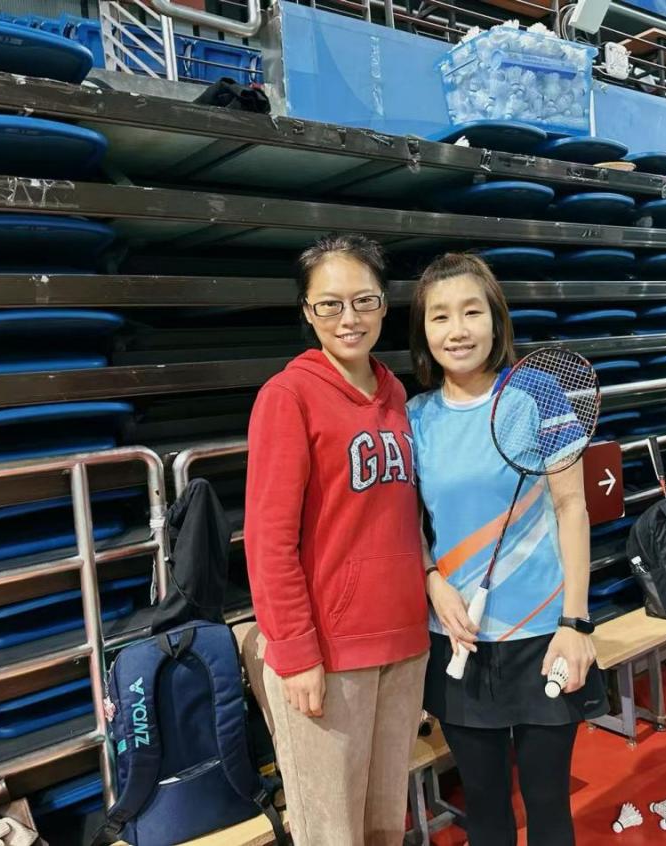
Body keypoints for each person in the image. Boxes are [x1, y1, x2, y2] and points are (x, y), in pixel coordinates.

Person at [406, 253, 608, 846]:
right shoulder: (415, 417)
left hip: (544, 636)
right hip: (459, 640)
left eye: (472, 312)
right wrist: (432, 582)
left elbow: (572, 507)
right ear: (424, 331)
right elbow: (408, 523)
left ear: (496, 320)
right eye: (440, 316)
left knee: (547, 805)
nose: (458, 329)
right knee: (486, 810)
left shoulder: (538, 394)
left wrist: (575, 622)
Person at [243, 233, 429, 846]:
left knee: (384, 823)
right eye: (330, 304)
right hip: (328, 654)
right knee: (331, 833)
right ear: (307, 310)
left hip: (403, 644)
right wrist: (296, 654)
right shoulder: (287, 396)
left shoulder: (395, 393)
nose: (349, 318)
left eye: (363, 300)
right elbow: (268, 540)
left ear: (384, 304)